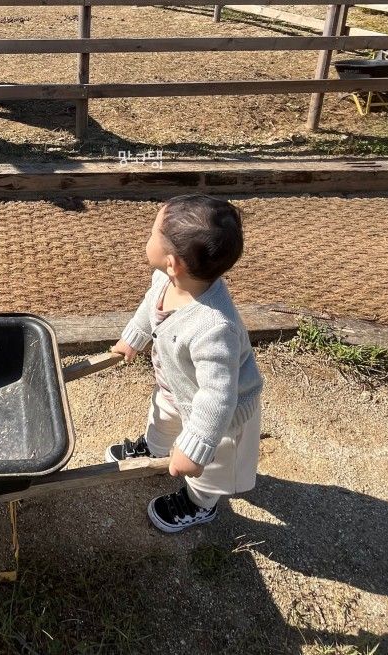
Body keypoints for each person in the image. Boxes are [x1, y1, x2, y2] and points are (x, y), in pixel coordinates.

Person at [105, 194, 263, 533]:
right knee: (161, 417)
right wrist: (133, 338)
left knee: (213, 464)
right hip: (177, 386)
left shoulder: (214, 327)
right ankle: (156, 448)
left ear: (173, 262)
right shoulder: (167, 281)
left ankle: (200, 502)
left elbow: (218, 399)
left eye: (152, 234)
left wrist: (195, 448)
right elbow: (151, 307)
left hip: (221, 416)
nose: (146, 238)